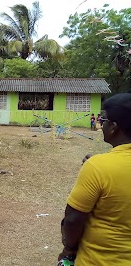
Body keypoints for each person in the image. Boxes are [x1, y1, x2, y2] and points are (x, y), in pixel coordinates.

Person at [58, 93, 131, 265]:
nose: (100, 123)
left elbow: (73, 219)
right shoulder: (99, 165)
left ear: (114, 127)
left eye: (103, 120)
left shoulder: (98, 167)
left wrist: (69, 248)